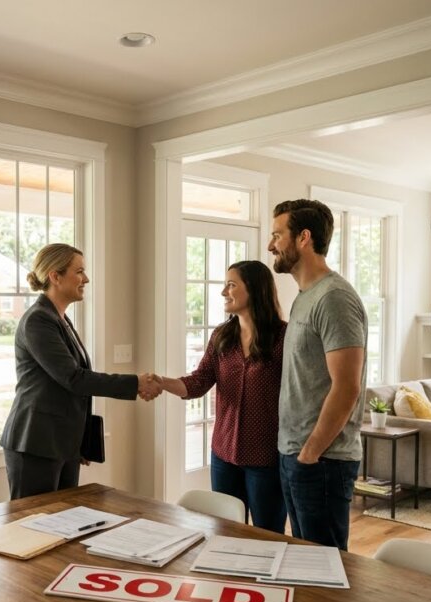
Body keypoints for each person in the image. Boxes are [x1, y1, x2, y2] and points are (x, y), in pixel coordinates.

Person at [0, 243, 160, 499]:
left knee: (65, 523)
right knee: (33, 527)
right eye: (79, 271)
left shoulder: (59, 318)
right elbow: (74, 378)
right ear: (55, 276)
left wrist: (80, 442)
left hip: (62, 443)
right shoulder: (38, 320)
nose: (86, 279)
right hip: (35, 442)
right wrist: (136, 383)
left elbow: (70, 388)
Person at [154, 260, 288, 533]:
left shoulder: (284, 337)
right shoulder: (221, 336)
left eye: (231, 284)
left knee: (267, 535)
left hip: (267, 458)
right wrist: (161, 382)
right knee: (224, 532)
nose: (223, 292)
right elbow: (198, 382)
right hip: (224, 456)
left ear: (255, 289)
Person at [269, 199, 367, 551]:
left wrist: (310, 453)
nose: (271, 245)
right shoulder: (306, 296)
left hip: (322, 461)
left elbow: (346, 387)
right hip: (296, 455)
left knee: (325, 570)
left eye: (277, 235)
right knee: (304, 563)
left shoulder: (334, 298)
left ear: (303, 238)